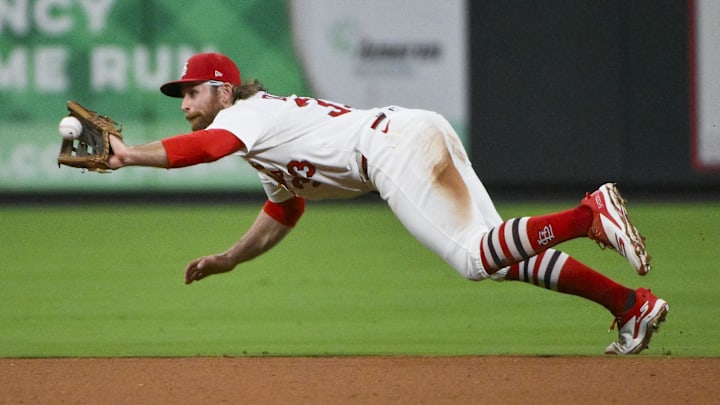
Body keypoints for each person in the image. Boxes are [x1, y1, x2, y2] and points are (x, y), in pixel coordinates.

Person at [107, 52, 669, 355]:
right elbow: (285, 209)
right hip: (414, 129)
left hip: (392, 150)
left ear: (223, 90)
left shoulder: (244, 117)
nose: (184, 101)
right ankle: (630, 307)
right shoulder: (260, 136)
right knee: (503, 255)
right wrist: (230, 258)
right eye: (181, 94)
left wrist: (130, 155)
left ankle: (588, 214)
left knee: (474, 260)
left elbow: (206, 148)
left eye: (192, 90)